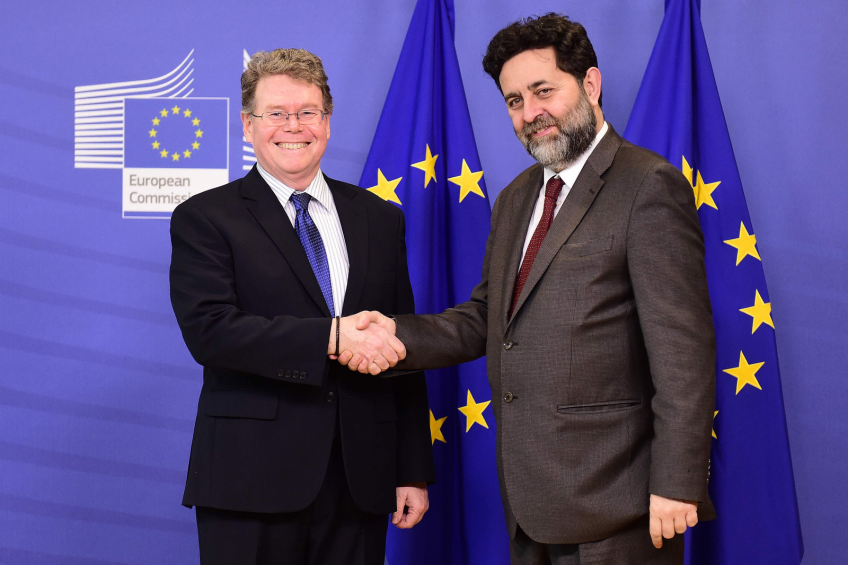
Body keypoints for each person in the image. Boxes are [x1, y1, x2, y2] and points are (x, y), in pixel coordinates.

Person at [340, 14, 716, 565]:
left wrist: (678, 481)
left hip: (622, 503)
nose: (529, 113)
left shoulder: (648, 185)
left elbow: (684, 351)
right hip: (529, 499)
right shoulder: (518, 197)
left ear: (589, 84)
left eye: (544, 91)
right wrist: (395, 335)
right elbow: (488, 317)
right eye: (514, 100)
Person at [169, 48, 435, 565]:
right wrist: (331, 338)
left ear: (328, 123)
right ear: (248, 125)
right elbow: (210, 331)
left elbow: (400, 343)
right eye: (276, 114)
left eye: (308, 112)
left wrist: (410, 468)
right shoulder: (205, 217)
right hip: (249, 481)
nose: (294, 126)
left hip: (360, 480)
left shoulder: (379, 218)